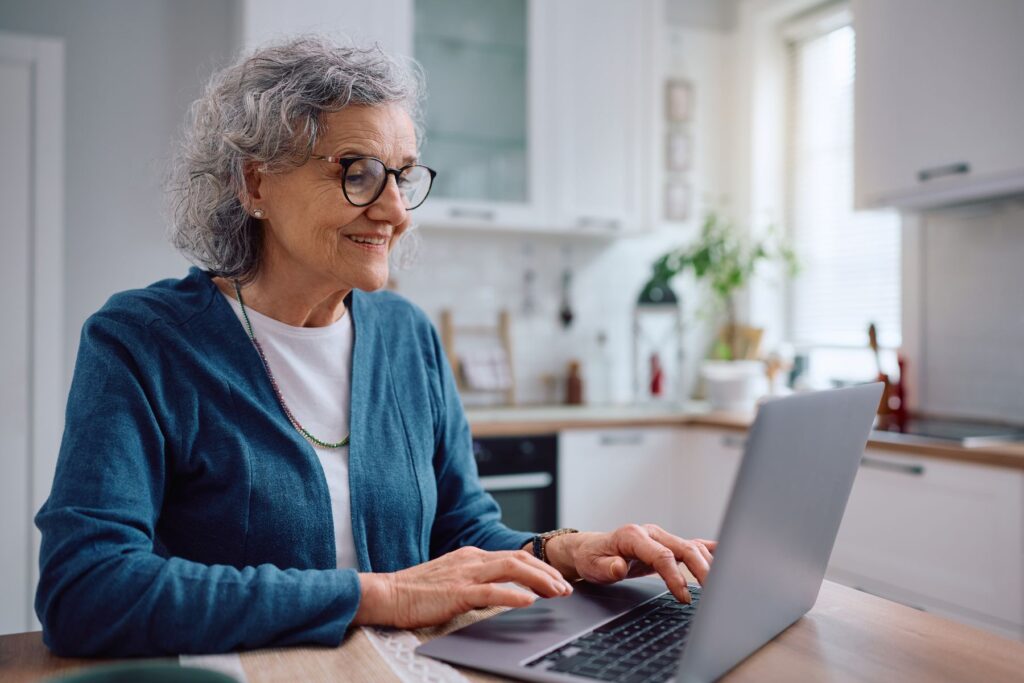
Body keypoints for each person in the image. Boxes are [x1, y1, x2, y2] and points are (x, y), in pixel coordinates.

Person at [35, 35, 716, 657]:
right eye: (357, 172)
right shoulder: (143, 343)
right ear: (255, 183)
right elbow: (87, 591)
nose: (394, 211)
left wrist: (566, 550)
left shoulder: (407, 336)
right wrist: (379, 593)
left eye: (404, 174)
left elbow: (460, 527)